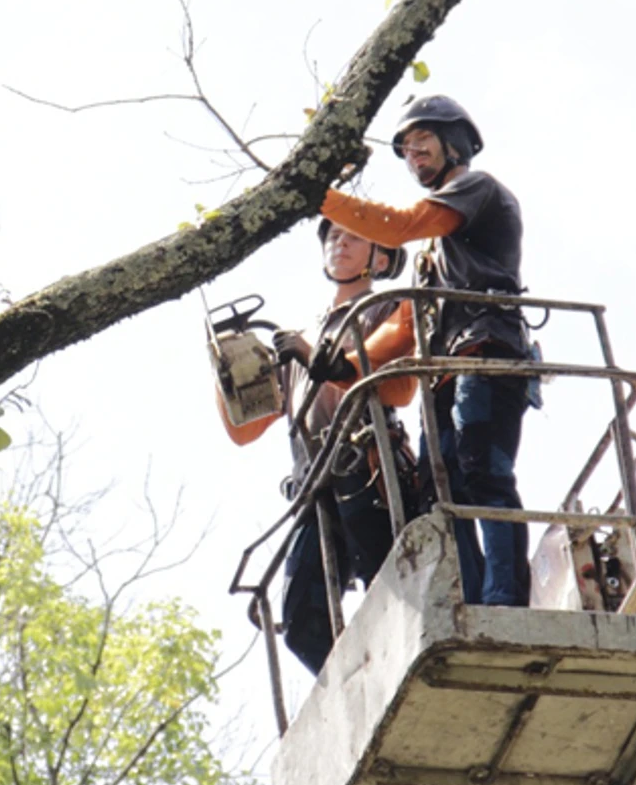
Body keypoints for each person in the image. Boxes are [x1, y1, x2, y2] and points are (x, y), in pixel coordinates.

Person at [317, 94, 535, 606]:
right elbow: (405, 328)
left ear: (454, 142)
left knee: (483, 471)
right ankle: (476, 597)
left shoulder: (474, 190)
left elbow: (400, 227)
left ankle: (504, 595)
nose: (415, 159)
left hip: (485, 349)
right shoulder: (433, 254)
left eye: (423, 145)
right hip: (444, 369)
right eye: (407, 153)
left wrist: (319, 195)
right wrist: (344, 365)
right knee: (441, 491)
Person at [213, 220, 416, 674]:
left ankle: (397, 668)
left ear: (379, 259)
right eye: (332, 237)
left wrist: (315, 356)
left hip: (367, 468)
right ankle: (364, 687)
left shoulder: (386, 309)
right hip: (314, 488)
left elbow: (399, 387)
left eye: (352, 236)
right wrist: (226, 371)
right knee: (303, 621)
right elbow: (245, 429)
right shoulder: (301, 334)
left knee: (391, 590)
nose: (338, 243)